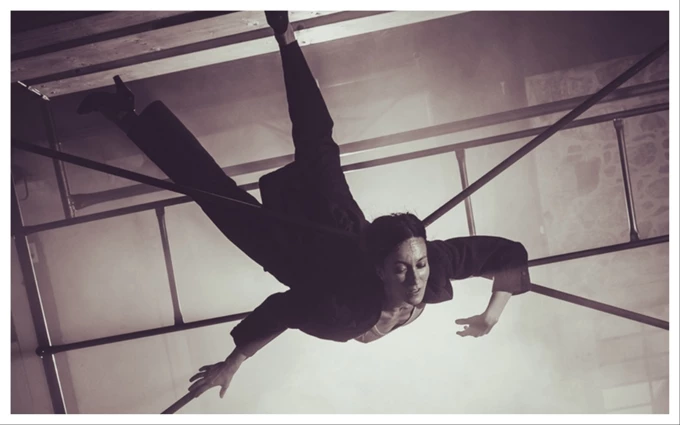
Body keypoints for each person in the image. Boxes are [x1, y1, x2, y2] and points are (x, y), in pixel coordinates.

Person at [77, 11, 531, 400]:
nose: (416, 279)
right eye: (404, 267)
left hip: (291, 256)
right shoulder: (431, 267)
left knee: (210, 191)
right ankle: (285, 35)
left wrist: (233, 362)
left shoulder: (344, 314)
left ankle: (124, 114)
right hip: (337, 225)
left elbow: (282, 309)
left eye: (420, 265)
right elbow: (507, 253)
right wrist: (491, 316)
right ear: (380, 267)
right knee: (317, 140)